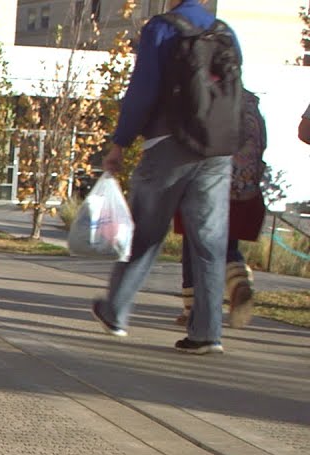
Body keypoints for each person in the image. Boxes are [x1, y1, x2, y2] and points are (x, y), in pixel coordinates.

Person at [91, 0, 242, 354]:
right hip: (218, 148)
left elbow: (143, 91)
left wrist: (120, 143)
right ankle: (207, 332)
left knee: (146, 231)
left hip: (168, 144)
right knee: (210, 243)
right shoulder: (224, 32)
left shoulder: (162, 27)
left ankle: (115, 310)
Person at [174, 88, 266, 329]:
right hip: (243, 190)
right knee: (227, 244)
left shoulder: (208, 96)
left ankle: (192, 308)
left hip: (208, 182)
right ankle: (238, 278)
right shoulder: (251, 105)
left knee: (193, 244)